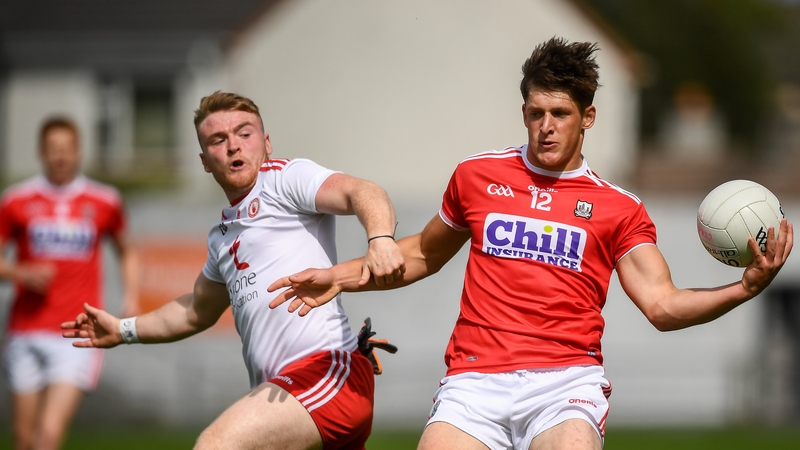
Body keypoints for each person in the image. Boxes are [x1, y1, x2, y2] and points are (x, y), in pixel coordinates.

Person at [268, 37, 794, 450]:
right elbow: (419, 255)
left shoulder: (619, 208)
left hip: (564, 385)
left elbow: (661, 304)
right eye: (535, 112)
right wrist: (336, 277)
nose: (545, 127)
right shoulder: (476, 176)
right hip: (474, 380)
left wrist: (743, 289)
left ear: (587, 118)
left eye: (560, 114)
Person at [61, 91, 405, 450]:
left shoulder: (284, 179)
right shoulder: (222, 237)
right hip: (285, 396)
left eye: (245, 133)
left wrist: (380, 238)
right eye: (218, 140)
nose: (234, 147)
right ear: (205, 161)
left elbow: (362, 191)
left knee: (215, 445)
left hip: (327, 374)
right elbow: (196, 311)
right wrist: (122, 329)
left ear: (266, 143)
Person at [0, 117, 140, 450]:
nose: (60, 156)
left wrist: (132, 296)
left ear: (78, 152)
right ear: (40, 152)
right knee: (24, 440)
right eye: (53, 149)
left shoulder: (104, 200)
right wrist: (20, 273)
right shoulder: (16, 200)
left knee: (48, 436)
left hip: (76, 332)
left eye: (67, 149)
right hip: (25, 329)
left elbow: (127, 251)